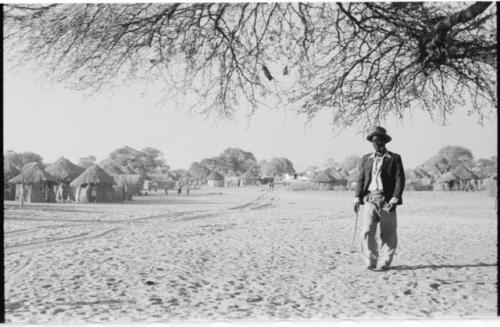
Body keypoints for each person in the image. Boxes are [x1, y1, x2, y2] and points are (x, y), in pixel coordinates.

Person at [353, 126, 405, 271]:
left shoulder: (394, 158)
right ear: (372, 143)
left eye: (380, 141)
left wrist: (395, 199)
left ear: (385, 142)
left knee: (388, 233)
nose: (377, 144)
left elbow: (400, 180)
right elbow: (361, 179)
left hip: (387, 200)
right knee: (367, 231)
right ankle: (370, 260)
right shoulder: (366, 159)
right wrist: (357, 198)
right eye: (374, 142)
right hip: (370, 198)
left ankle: (385, 262)